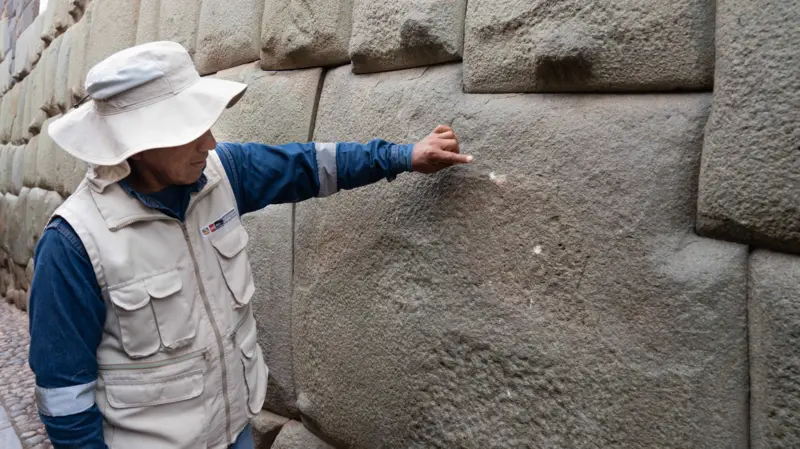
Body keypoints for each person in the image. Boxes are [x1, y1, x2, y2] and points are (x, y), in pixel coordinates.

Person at [26, 41, 472, 449]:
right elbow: (65, 397)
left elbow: (307, 166)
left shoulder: (223, 174)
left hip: (235, 431)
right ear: (136, 144)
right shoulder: (73, 244)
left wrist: (404, 156)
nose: (210, 142)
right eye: (189, 129)